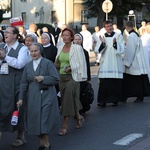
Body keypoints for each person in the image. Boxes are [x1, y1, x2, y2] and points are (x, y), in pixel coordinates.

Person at [17, 42, 60, 150]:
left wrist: (43, 78)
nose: (33, 53)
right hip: (32, 96)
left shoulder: (48, 63)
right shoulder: (27, 66)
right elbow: (23, 83)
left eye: (35, 51)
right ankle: (41, 143)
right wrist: (21, 98)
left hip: (47, 95)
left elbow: (55, 79)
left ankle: (46, 144)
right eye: (31, 51)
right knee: (35, 121)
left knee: (44, 120)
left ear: (40, 51)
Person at [55, 28, 87, 135]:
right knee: (68, 99)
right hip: (61, 77)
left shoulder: (77, 48)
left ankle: (64, 125)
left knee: (67, 100)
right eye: (63, 35)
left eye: (67, 35)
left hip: (73, 77)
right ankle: (78, 117)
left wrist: (71, 67)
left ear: (72, 37)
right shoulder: (60, 48)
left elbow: (81, 63)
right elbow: (58, 62)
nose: (64, 37)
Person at [0, 26, 29, 146]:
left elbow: (20, 64)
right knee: (2, 108)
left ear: (15, 35)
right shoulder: (2, 47)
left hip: (17, 83)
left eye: (8, 32)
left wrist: (5, 57)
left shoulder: (22, 48)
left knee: (18, 109)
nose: (5, 33)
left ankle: (21, 136)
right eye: (5, 32)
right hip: (3, 83)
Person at [97, 20, 124, 107]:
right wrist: (103, 43)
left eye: (110, 25)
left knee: (114, 83)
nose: (109, 27)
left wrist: (115, 44)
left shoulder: (118, 36)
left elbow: (122, 49)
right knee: (104, 83)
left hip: (115, 61)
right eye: (107, 26)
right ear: (104, 28)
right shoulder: (101, 37)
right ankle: (102, 101)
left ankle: (114, 99)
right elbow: (97, 50)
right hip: (105, 62)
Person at [123, 21, 150, 103]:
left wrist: (127, 62)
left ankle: (135, 96)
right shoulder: (136, 35)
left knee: (133, 81)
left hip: (134, 62)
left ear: (126, 27)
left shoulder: (131, 36)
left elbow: (130, 50)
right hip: (139, 60)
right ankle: (140, 96)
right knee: (139, 80)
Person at [73, 33, 91, 115]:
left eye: (79, 39)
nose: (77, 41)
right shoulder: (70, 50)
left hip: (82, 76)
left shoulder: (85, 52)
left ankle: (81, 109)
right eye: (75, 39)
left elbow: (87, 65)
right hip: (73, 75)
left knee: (81, 94)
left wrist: (87, 77)